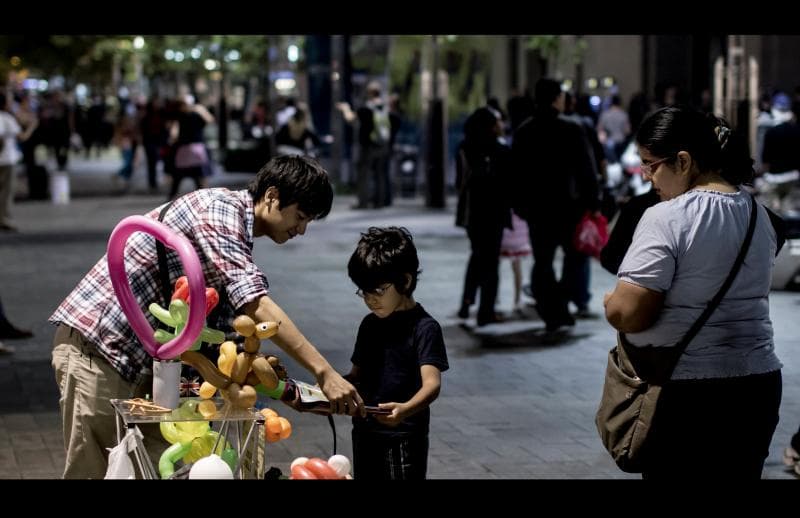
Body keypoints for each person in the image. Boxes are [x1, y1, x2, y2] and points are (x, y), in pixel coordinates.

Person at [49, 155, 363, 479]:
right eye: (300, 216)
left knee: (164, 467)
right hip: (101, 347)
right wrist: (324, 371)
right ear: (272, 196)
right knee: (94, 469)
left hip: (152, 363)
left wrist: (289, 391)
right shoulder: (219, 210)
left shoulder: (237, 233)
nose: (301, 229)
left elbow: (229, 334)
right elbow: (254, 303)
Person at [603, 105, 783, 479]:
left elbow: (628, 312)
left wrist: (611, 301)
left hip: (686, 392)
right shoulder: (758, 214)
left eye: (651, 164)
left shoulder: (667, 216)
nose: (647, 176)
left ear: (683, 161)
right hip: (758, 384)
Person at [344, 226, 449, 479]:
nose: (370, 299)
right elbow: (356, 374)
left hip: (404, 436)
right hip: (365, 431)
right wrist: (330, 388)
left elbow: (432, 385)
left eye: (378, 290)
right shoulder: (369, 324)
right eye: (364, 292)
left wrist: (406, 409)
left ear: (405, 281)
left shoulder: (424, 328)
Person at [455, 107, 512, 326]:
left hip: (471, 212)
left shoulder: (464, 147)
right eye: (497, 120)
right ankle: (485, 311)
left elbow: (459, 180)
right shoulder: (500, 149)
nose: (501, 124)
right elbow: (509, 184)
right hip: (494, 213)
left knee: (477, 256)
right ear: (490, 125)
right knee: (490, 263)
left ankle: (466, 301)